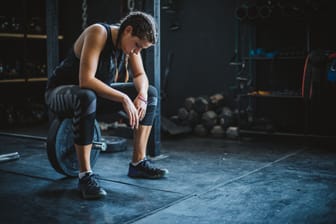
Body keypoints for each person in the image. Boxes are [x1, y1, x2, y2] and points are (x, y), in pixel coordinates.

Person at [45, 11, 168, 200]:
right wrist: (124, 99)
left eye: (141, 49)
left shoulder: (129, 45)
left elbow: (140, 75)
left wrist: (141, 96)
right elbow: (86, 80)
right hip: (59, 93)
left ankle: (138, 163)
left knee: (150, 93)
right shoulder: (98, 33)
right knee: (86, 95)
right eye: (137, 46)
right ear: (128, 30)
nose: (137, 52)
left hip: (92, 96)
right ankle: (85, 175)